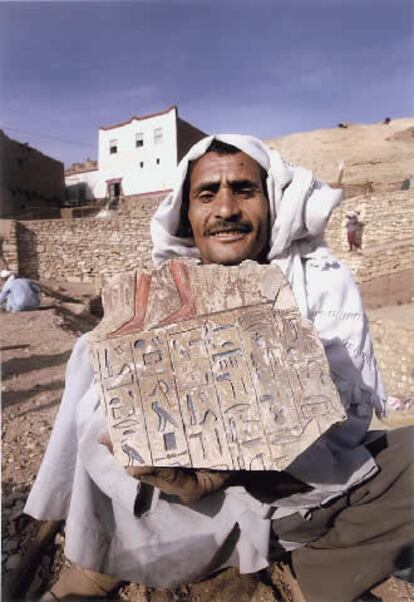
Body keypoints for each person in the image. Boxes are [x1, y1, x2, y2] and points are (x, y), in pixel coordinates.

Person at [24, 135, 413, 602]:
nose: (225, 208)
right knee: (92, 358)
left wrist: (241, 462)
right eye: (207, 194)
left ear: (270, 203)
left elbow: (345, 427)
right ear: (187, 215)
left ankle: (309, 564)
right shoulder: (154, 301)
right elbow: (103, 434)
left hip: (290, 489)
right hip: (167, 499)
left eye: (244, 190)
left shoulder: (323, 284)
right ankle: (100, 570)